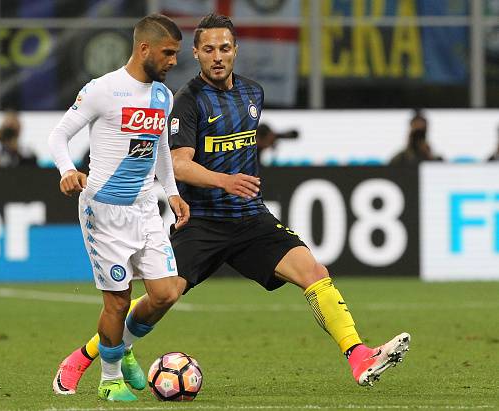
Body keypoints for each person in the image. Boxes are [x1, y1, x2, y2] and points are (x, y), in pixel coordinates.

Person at [53, 13, 410, 397]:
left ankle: (358, 356)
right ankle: (88, 355)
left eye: (224, 48)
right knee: (162, 297)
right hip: (203, 223)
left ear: (235, 50)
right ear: (198, 54)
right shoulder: (185, 101)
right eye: (208, 49)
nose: (217, 56)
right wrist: (219, 182)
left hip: (249, 218)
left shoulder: (253, 94)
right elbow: (179, 161)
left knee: (313, 270)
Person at [47, 14, 189, 401]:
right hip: (104, 210)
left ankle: (123, 346)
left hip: (144, 208)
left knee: (165, 293)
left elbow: (160, 146)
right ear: (144, 49)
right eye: (168, 53)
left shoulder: (163, 96)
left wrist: (172, 191)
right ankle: (109, 378)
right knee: (118, 299)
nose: (174, 61)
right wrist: (67, 170)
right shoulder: (102, 89)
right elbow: (59, 134)